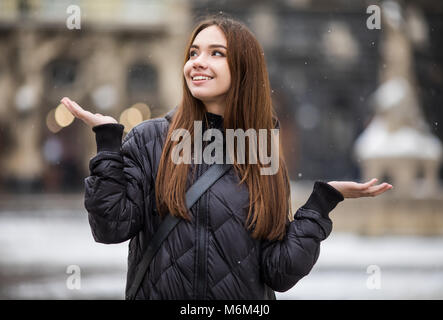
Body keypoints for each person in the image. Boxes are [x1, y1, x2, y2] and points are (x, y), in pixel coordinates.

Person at [60, 15, 393, 300]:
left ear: (244, 69)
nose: (197, 62)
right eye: (193, 52)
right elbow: (111, 228)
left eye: (215, 53)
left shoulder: (261, 149)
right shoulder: (151, 138)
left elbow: (278, 271)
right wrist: (107, 146)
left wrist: (320, 204)